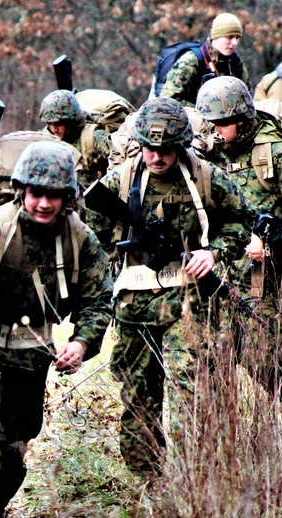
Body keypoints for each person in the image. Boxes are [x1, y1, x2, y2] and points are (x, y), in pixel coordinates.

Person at [0, 141, 112, 518]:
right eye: (35, 193)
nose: (42, 203)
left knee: (16, 444)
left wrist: (80, 343)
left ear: (67, 197)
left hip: (33, 352)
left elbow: (98, 300)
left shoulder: (81, 239)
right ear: (21, 191)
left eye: (52, 195)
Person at [95, 98, 249, 473]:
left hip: (189, 300)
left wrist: (213, 253)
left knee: (191, 388)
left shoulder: (206, 177)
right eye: (149, 148)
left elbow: (241, 221)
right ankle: (148, 480)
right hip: (135, 303)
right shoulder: (120, 181)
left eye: (164, 150)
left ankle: (193, 478)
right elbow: (90, 236)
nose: (156, 157)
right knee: (138, 394)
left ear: (179, 145)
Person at [197, 76, 282, 420]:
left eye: (222, 123)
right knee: (217, 355)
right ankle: (220, 435)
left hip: (266, 278)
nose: (216, 130)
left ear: (241, 118)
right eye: (213, 123)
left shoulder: (276, 154)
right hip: (218, 274)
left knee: (267, 360)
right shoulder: (209, 156)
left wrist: (271, 242)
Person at [159, 12, 250, 107]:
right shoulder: (192, 60)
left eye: (237, 38)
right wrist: (203, 110)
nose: (234, 42)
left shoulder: (235, 62)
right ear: (216, 36)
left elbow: (246, 97)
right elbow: (168, 100)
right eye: (230, 37)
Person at [38, 90, 111, 190]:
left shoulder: (94, 138)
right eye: (50, 124)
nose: (54, 129)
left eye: (58, 124)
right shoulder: (45, 139)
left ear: (71, 122)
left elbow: (118, 168)